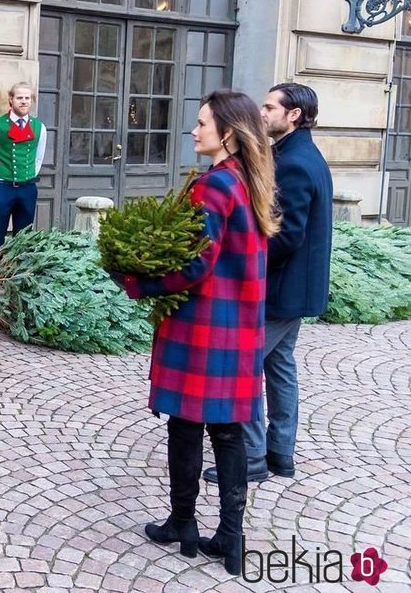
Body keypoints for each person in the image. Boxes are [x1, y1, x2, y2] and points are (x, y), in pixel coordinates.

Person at [110, 90, 280, 576]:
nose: (194, 129)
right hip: (237, 324)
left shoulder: (214, 186)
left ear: (227, 132)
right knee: (226, 433)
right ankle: (230, 536)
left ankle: (183, 522)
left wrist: (138, 282)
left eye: (203, 123)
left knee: (185, 425)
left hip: (201, 325)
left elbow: (195, 263)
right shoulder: (249, 180)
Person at [204, 83, 333, 484]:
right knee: (280, 367)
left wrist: (246, 263)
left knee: (246, 365)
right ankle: (281, 452)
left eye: (269, 106)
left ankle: (254, 455)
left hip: (280, 290)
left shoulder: (295, 161)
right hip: (294, 290)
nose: (261, 113)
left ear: (294, 115)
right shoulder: (298, 154)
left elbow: (286, 233)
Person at [0, 82, 47, 263]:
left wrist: (26, 176)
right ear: (11, 100)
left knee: (24, 240)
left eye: (27, 98)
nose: (24, 102)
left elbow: (38, 159)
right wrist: (0, 180)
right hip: (2, 189)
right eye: (19, 98)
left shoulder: (40, 127)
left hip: (27, 189)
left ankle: (18, 280)